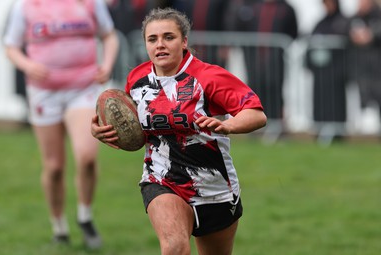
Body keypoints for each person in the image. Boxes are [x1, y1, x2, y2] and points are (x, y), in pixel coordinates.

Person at [91, 7, 267, 255]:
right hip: (162, 181)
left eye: (168, 37)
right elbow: (133, 130)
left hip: (214, 188)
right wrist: (104, 131)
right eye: (152, 39)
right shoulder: (137, 79)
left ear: (184, 41)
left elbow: (256, 114)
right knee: (174, 247)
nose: (160, 45)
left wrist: (227, 125)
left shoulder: (209, 76)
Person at [3, 0, 120, 249]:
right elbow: (11, 46)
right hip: (45, 92)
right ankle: (59, 227)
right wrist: (27, 65)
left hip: (84, 88)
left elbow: (109, 36)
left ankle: (85, 216)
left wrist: (107, 66)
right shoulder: (25, 6)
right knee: (54, 167)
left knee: (87, 156)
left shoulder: (91, 2)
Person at [224, 0, 298, 122]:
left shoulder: (286, 9)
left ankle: (276, 124)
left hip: (275, 58)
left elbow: (293, 32)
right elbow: (239, 26)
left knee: (274, 89)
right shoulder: (251, 7)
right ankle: (254, 123)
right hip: (253, 58)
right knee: (254, 89)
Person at [305, 0, 350, 144]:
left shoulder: (343, 22)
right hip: (320, 73)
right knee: (320, 102)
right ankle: (320, 129)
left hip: (336, 73)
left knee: (335, 104)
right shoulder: (321, 23)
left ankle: (337, 134)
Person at [348, 0, 381, 131]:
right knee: (364, 96)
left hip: (377, 66)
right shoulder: (355, 18)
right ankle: (368, 129)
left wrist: (371, 35)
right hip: (362, 66)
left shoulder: (377, 16)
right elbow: (346, 29)